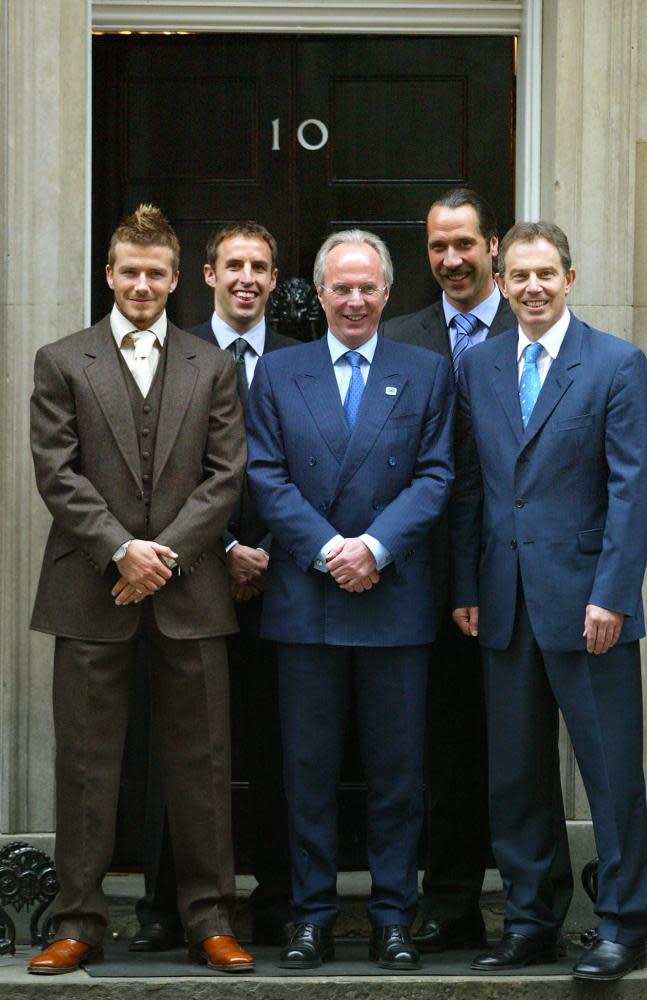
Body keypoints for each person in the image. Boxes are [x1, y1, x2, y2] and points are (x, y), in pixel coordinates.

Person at [28, 204, 254, 975]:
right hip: (92, 590)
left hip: (189, 593)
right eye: (130, 272)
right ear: (110, 274)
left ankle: (208, 920)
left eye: (156, 273)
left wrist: (165, 556)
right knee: (88, 766)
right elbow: (56, 473)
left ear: (176, 277)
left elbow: (226, 476)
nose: (142, 285)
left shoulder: (210, 365)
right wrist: (122, 551)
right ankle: (78, 922)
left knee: (202, 764)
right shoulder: (62, 359)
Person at [451, 221, 647, 981]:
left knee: (609, 775)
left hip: (588, 609)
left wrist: (611, 594)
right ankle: (531, 920)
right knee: (515, 776)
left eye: (545, 274)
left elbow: (633, 492)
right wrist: (467, 586)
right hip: (503, 606)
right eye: (517, 276)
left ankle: (623, 924)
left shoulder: (615, 364)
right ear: (500, 284)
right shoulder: (477, 367)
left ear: (569, 278)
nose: (531, 288)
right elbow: (470, 483)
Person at [246, 229, 455, 971]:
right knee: (308, 774)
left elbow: (436, 475)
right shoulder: (278, 371)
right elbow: (264, 476)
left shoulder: (425, 371)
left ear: (388, 292)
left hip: (392, 602)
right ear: (318, 293)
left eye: (368, 287)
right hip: (308, 602)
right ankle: (311, 918)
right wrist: (331, 549)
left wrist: (374, 547)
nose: (355, 299)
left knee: (398, 779)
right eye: (341, 288)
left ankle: (394, 918)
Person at [131, 222, 296, 952]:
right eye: (233, 265)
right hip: (188, 577)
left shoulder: (301, 360)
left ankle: (278, 903)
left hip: (287, 584)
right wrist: (225, 546)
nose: (246, 278)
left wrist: (263, 551)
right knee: (182, 746)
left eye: (259, 266)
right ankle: (165, 905)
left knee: (275, 749)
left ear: (274, 276)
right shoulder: (171, 352)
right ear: (205, 274)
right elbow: (161, 475)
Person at [381, 188, 515, 951]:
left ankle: (530, 903)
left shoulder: (528, 323)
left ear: (490, 245)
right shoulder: (401, 335)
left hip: (509, 574)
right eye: (437, 247)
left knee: (514, 745)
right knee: (439, 748)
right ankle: (449, 902)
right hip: (418, 582)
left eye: (464, 244)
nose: (452, 260)